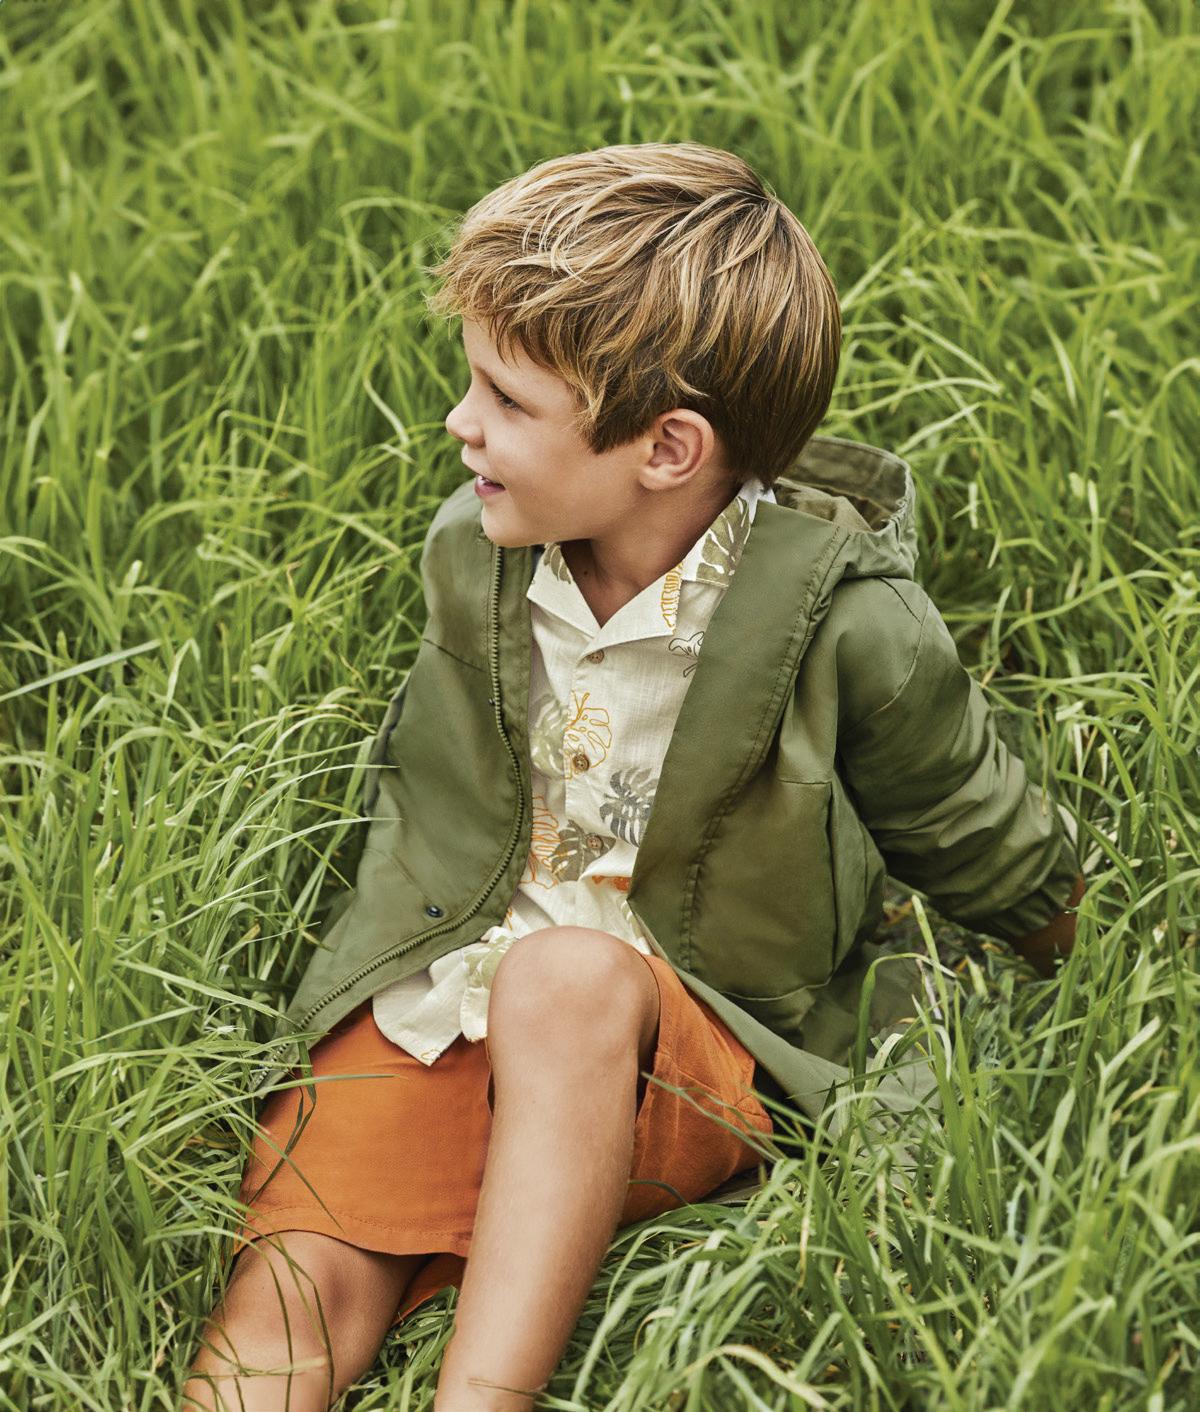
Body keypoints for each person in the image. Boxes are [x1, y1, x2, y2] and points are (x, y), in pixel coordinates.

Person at [181, 141, 1086, 1412]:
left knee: (565, 982)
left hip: (679, 1029)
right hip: (452, 986)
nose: (459, 423)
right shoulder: (475, 551)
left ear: (666, 449)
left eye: (506, 399)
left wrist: (1087, 950)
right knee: (304, 1276)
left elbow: (967, 821)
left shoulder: (843, 621)